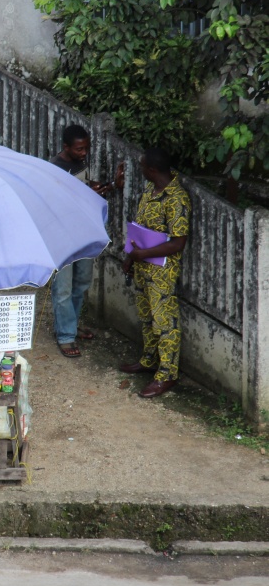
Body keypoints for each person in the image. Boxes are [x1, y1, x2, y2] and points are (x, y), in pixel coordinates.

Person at [120, 147, 190, 398]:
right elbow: (141, 228)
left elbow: (177, 243)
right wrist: (131, 256)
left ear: (152, 170)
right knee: (147, 317)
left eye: (142, 166)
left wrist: (141, 255)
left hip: (162, 271)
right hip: (141, 265)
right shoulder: (151, 190)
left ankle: (167, 375)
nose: (140, 170)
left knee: (165, 324)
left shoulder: (177, 199)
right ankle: (149, 359)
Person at [49, 124, 125, 358]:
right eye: (79, 149)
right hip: (61, 236)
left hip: (83, 233)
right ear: (66, 147)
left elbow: (86, 192)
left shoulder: (80, 164)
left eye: (86, 149)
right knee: (62, 287)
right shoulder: (53, 168)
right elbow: (55, 203)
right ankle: (65, 336)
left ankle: (69, 326)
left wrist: (111, 186)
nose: (84, 153)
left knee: (81, 282)